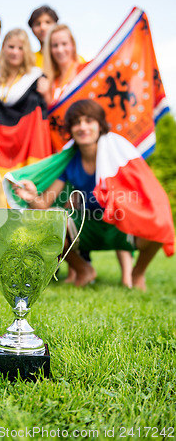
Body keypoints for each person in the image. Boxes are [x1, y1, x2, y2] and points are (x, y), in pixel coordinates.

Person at [5, 100, 174, 290]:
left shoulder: (119, 154)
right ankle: (83, 269)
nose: (82, 127)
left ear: (100, 125)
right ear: (71, 128)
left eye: (89, 121)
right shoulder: (69, 160)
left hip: (120, 225)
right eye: (77, 122)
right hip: (87, 227)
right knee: (47, 220)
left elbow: (145, 194)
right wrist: (31, 196)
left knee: (159, 222)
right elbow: (44, 205)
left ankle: (138, 273)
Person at [38, 23, 133, 287]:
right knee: (72, 212)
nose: (60, 49)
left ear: (73, 45)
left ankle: (127, 275)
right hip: (65, 154)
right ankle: (78, 271)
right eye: (54, 45)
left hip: (94, 152)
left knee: (114, 205)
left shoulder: (87, 72)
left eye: (64, 44)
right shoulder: (47, 81)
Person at [0, 28, 52, 208]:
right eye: (10, 47)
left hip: (28, 146)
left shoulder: (35, 76)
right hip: (0, 149)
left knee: (24, 195)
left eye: (20, 48)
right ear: (3, 49)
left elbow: (48, 112)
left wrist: (46, 95)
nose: (15, 52)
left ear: (26, 51)